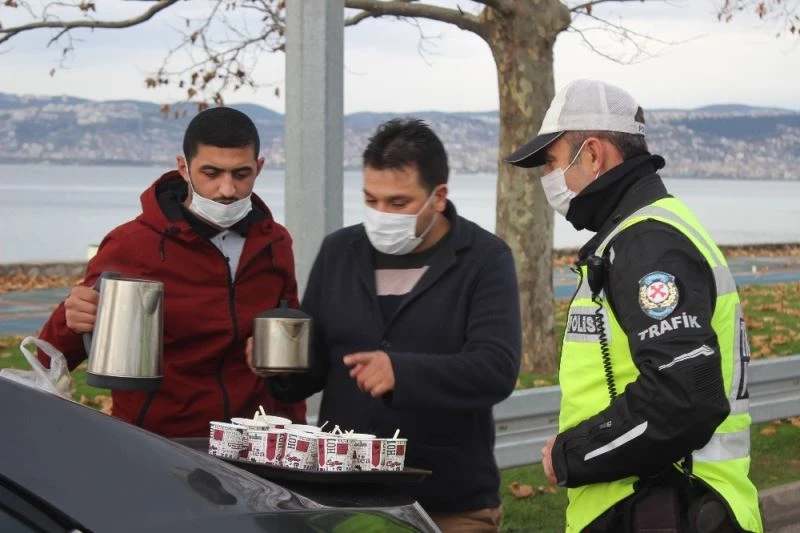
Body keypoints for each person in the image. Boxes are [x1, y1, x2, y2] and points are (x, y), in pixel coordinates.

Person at [506, 79, 762, 533]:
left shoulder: (648, 244)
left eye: (551, 161)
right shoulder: (637, 235)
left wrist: (573, 454)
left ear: (592, 154)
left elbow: (682, 399)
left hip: (667, 506)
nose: (548, 177)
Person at [259, 118, 522, 532]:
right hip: (343, 498)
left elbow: (496, 369)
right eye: (371, 200)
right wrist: (277, 363)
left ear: (439, 197)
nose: (381, 215)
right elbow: (311, 369)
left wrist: (401, 371)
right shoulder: (339, 251)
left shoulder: (485, 259)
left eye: (398, 203)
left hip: (448, 502)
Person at [38, 107, 306, 437]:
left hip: (250, 446)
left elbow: (290, 358)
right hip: (155, 446)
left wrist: (296, 436)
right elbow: (49, 356)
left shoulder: (275, 243)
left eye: (241, 174)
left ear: (259, 168)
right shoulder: (132, 243)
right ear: (183, 168)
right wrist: (71, 317)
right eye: (211, 173)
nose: (227, 190)